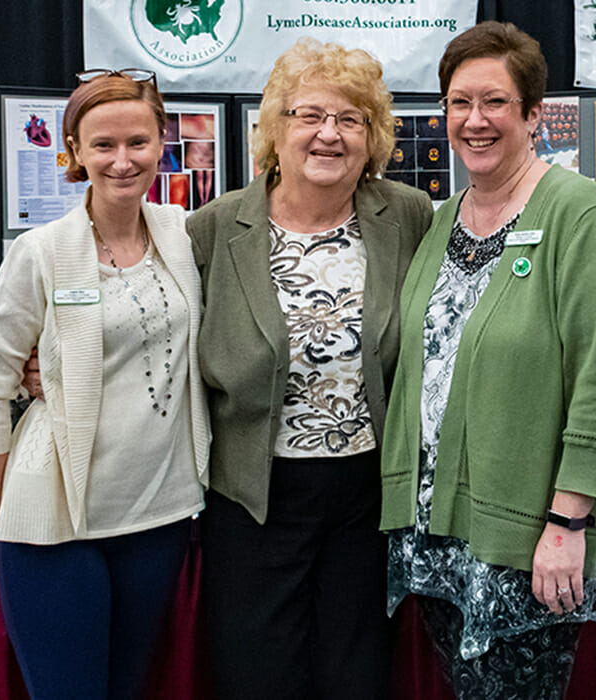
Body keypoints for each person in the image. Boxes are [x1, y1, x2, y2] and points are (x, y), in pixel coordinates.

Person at [379, 22, 596, 699]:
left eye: (495, 102)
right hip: (441, 534)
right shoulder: (444, 221)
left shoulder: (578, 214)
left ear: (533, 115)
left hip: (532, 534)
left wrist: (566, 522)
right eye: (459, 102)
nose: (475, 120)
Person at [187, 37, 433, 700]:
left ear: (373, 136)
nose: (329, 134)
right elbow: (152, 323)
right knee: (260, 673)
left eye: (350, 120)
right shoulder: (212, 230)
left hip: (367, 494)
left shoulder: (405, 216)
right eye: (309, 116)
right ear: (276, 129)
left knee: (357, 671)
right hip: (254, 495)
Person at [0, 68, 209, 700]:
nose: (122, 161)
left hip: (159, 514)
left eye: (138, 142)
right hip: (54, 522)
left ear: (162, 144)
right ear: (73, 150)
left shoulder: (184, 236)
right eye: (102, 145)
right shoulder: (41, 252)